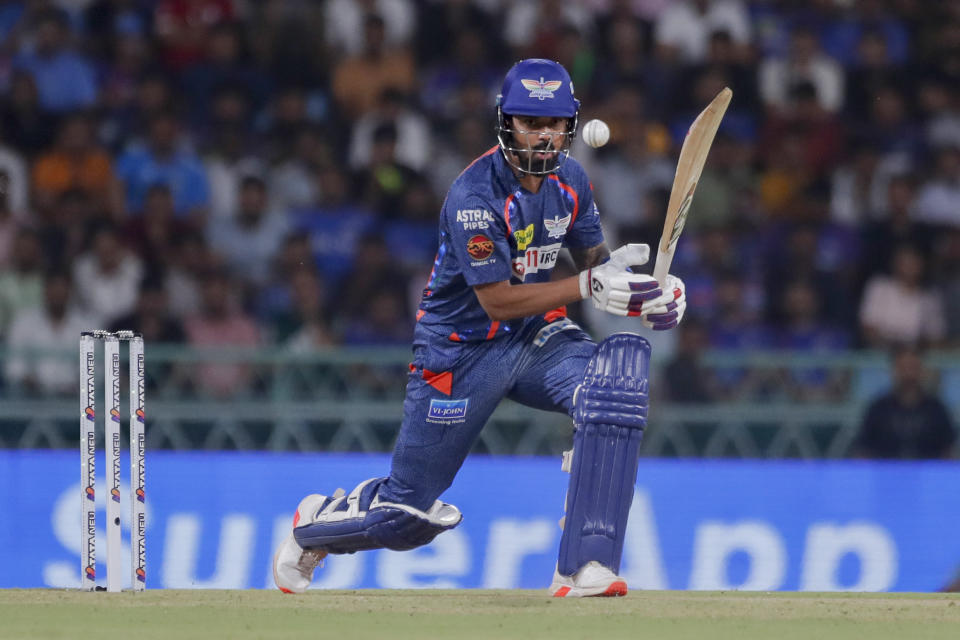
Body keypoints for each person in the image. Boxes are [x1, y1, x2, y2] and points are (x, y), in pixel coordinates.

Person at [272, 59, 687, 597]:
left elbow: (597, 268)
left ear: (569, 125)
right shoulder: (474, 194)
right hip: (459, 353)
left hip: (536, 337)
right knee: (406, 517)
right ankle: (315, 524)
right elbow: (496, 301)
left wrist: (650, 296)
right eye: (529, 122)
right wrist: (589, 286)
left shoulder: (574, 181)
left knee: (610, 389)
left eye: (555, 123)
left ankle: (584, 564)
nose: (543, 134)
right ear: (506, 122)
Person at [853, 346, 956, 460]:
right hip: (884, 473)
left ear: (922, 371)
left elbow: (949, 451)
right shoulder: (878, 408)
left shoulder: (937, 409)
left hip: (929, 473)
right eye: (903, 368)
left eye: (913, 368)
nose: (908, 374)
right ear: (894, 371)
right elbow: (863, 450)